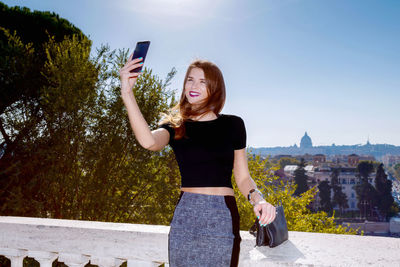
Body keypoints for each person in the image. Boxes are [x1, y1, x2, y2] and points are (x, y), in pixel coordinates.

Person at [119, 54, 276, 267]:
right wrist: (127, 93)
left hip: (221, 214)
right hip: (186, 215)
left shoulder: (233, 125)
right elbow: (148, 142)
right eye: (190, 80)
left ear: (215, 88)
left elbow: (243, 177)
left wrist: (259, 200)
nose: (194, 85)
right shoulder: (175, 126)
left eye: (203, 81)